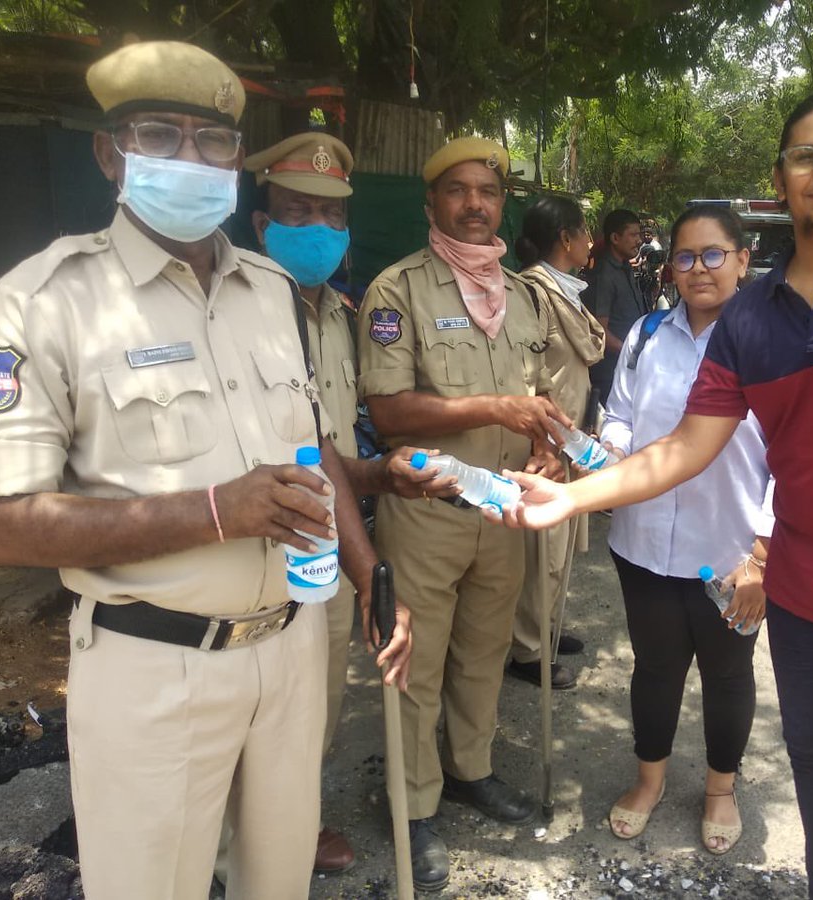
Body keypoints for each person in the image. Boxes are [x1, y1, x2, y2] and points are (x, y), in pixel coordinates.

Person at [496, 91, 813, 899]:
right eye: (806, 155)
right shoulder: (753, 319)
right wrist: (570, 499)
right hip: (804, 600)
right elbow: (682, 448)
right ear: (781, 179)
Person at [0, 41, 410, 900]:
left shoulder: (271, 291)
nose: (191, 159)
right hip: (153, 669)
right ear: (110, 154)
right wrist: (217, 510)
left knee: (278, 883)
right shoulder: (40, 301)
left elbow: (314, 447)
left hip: (289, 654)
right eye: (159, 136)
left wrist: (367, 574)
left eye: (213, 142)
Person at [233, 131, 453, 875]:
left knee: (316, 702)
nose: (319, 232)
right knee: (247, 711)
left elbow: (325, 448)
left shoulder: (336, 312)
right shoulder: (236, 309)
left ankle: (294, 824)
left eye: (333, 218)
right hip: (248, 546)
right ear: (264, 226)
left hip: (323, 542)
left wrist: (381, 477)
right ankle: (241, 850)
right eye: (300, 212)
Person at [355, 136, 565, 892]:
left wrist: (548, 449)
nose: (476, 204)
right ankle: (411, 804)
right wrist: (491, 406)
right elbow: (385, 410)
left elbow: (540, 403)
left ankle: (469, 769)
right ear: (431, 203)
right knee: (419, 659)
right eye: (458, 191)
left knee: (482, 652)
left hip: (506, 510)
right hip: (430, 510)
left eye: (489, 191)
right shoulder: (396, 292)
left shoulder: (524, 295)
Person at [599, 204, 773, 856]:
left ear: (741, 260)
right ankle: (648, 783)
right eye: (684, 256)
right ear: (668, 264)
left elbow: (795, 454)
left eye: (713, 254)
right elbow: (618, 413)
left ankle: (720, 790)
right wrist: (611, 449)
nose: (698, 269)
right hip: (643, 541)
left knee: (728, 675)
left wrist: (762, 552)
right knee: (655, 668)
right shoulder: (646, 335)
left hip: (732, 552)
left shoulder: (772, 344)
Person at [508, 196, 605, 690]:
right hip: (547, 443)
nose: (590, 241)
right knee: (543, 552)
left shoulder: (564, 291)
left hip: (571, 439)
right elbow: (527, 376)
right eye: (584, 231)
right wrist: (544, 439)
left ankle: (546, 628)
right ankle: (527, 649)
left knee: (563, 547)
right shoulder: (534, 292)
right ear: (566, 238)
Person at [585, 209, 646, 403]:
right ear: (615, 238)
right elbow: (599, 330)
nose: (639, 240)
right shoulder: (604, 274)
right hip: (610, 372)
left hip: (628, 365)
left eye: (640, 234)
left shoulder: (626, 267)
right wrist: (632, 353)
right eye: (633, 235)